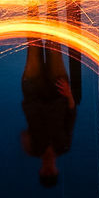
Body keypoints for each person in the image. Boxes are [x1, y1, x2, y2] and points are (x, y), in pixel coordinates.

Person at [19, 38, 78, 188]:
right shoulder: (63, 146)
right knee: (53, 45)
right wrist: (68, 93)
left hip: (32, 90)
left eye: (45, 173)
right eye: (51, 173)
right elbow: (71, 115)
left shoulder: (33, 149)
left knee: (33, 43)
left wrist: (30, 145)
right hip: (58, 90)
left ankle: (32, 12)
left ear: (40, 171)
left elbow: (23, 134)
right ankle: (52, 13)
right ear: (57, 171)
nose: (48, 169)